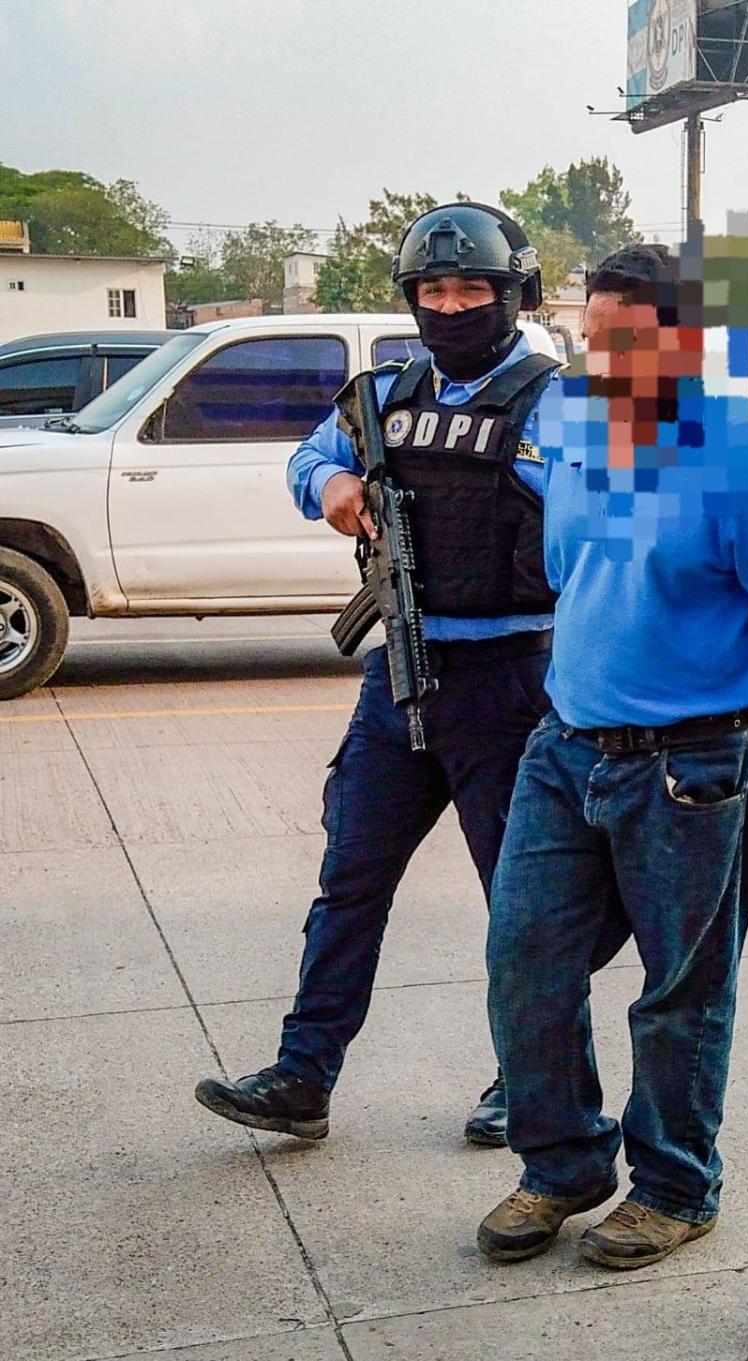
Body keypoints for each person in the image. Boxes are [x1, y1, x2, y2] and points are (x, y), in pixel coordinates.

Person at [475, 241, 748, 1270]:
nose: (603, 363)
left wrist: (708, 691)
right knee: (524, 959)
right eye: (592, 340)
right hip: (563, 749)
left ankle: (677, 1187)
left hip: (694, 771)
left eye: (628, 343)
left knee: (681, 991)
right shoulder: (576, 429)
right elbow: (573, 576)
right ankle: (562, 1163)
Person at [194, 203, 560, 1147]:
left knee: (520, 904)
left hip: (509, 680)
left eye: (472, 288)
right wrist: (334, 485)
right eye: (433, 289)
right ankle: (303, 1075)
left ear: (513, 295)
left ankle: (527, 1081)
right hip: (398, 672)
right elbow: (311, 456)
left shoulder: (556, 403)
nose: (451, 305)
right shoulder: (383, 397)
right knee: (349, 881)